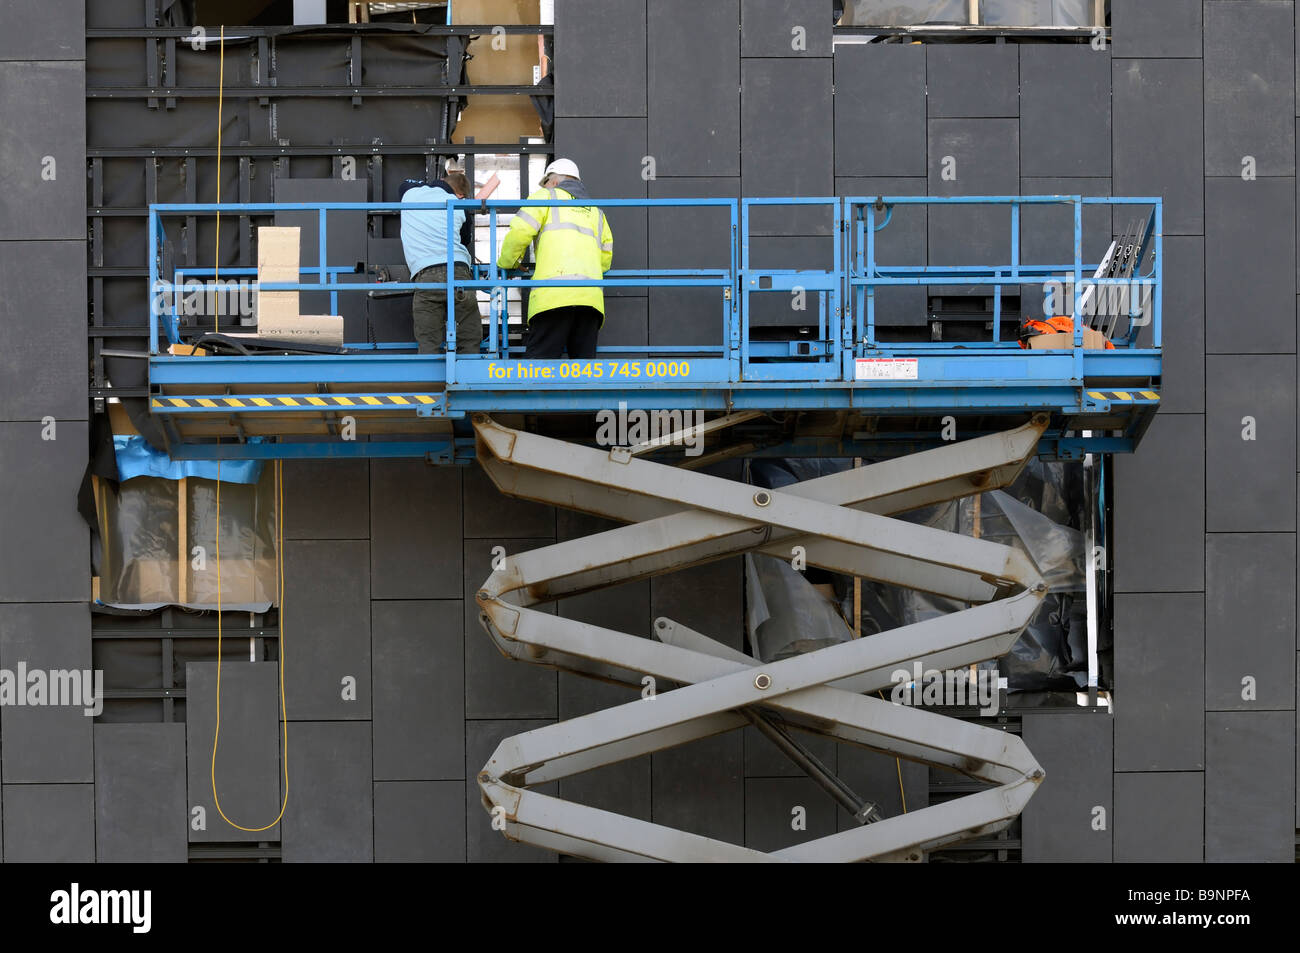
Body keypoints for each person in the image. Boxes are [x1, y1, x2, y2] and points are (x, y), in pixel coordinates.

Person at [497, 158, 613, 359]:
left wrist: (507, 263)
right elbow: (605, 260)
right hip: (590, 302)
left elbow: (519, 232)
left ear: (555, 181)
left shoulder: (545, 197)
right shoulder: (596, 212)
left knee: (538, 371)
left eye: (547, 183)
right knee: (584, 373)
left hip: (553, 297)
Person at [400, 171, 482, 354]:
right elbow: (465, 239)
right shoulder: (458, 205)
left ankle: (427, 377)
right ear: (460, 195)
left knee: (428, 338)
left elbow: (406, 181)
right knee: (468, 332)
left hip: (426, 274)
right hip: (458, 269)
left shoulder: (409, 192)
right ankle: (469, 371)